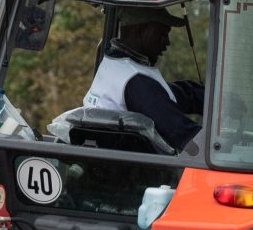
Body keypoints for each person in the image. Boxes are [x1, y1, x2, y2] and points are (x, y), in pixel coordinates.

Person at [83, 9, 203, 149]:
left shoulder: (113, 64)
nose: (167, 42)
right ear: (139, 31)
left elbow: (165, 93)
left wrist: (213, 99)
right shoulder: (136, 82)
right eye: (162, 34)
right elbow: (184, 135)